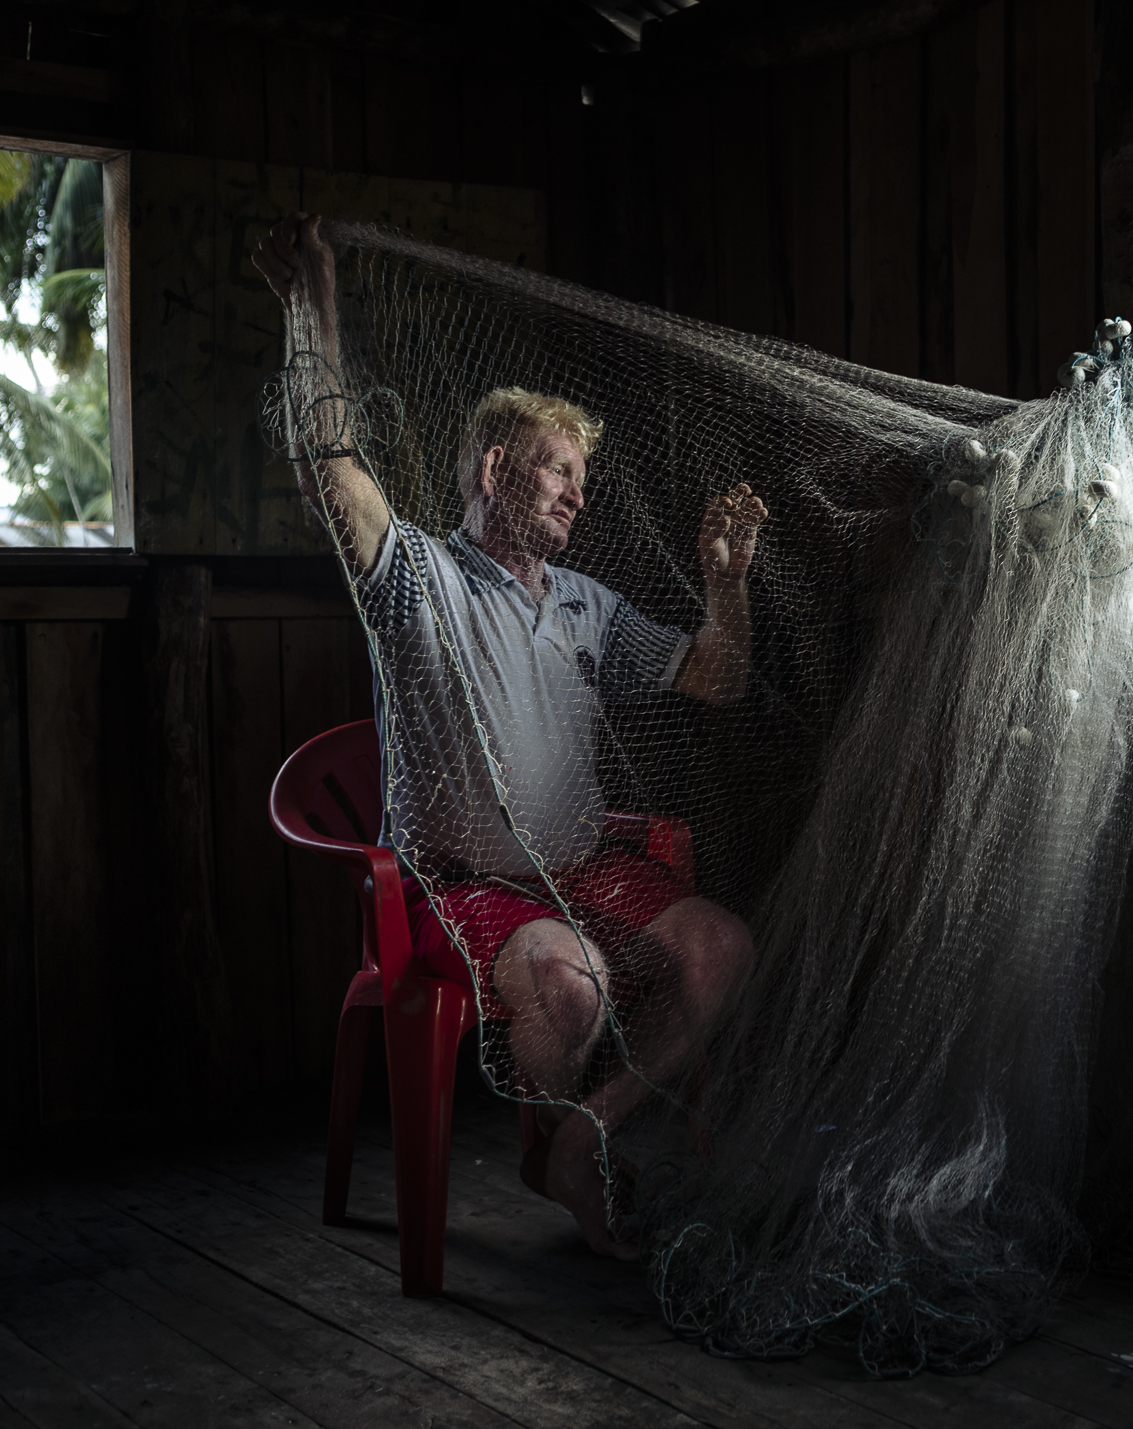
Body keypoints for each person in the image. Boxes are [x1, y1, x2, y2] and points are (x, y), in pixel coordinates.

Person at [254, 213, 764, 1258]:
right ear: (494, 469)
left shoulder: (585, 603)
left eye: (581, 474)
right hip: (462, 886)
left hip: (579, 869)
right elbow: (333, 470)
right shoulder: (419, 582)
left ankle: (584, 1134)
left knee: (721, 947)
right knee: (569, 982)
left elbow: (718, 676)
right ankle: (564, 1141)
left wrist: (725, 585)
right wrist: (311, 303)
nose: (579, 491)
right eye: (556, 468)